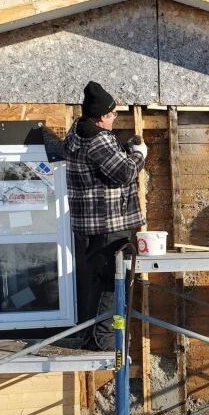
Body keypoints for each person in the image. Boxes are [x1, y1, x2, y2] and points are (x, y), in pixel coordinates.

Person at [64, 81, 147, 350]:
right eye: (112, 115)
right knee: (113, 281)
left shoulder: (78, 134)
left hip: (91, 225)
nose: (115, 118)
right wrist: (138, 155)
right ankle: (106, 340)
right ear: (101, 117)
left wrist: (122, 150)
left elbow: (104, 169)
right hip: (110, 223)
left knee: (97, 280)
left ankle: (93, 337)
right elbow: (123, 173)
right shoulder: (99, 140)